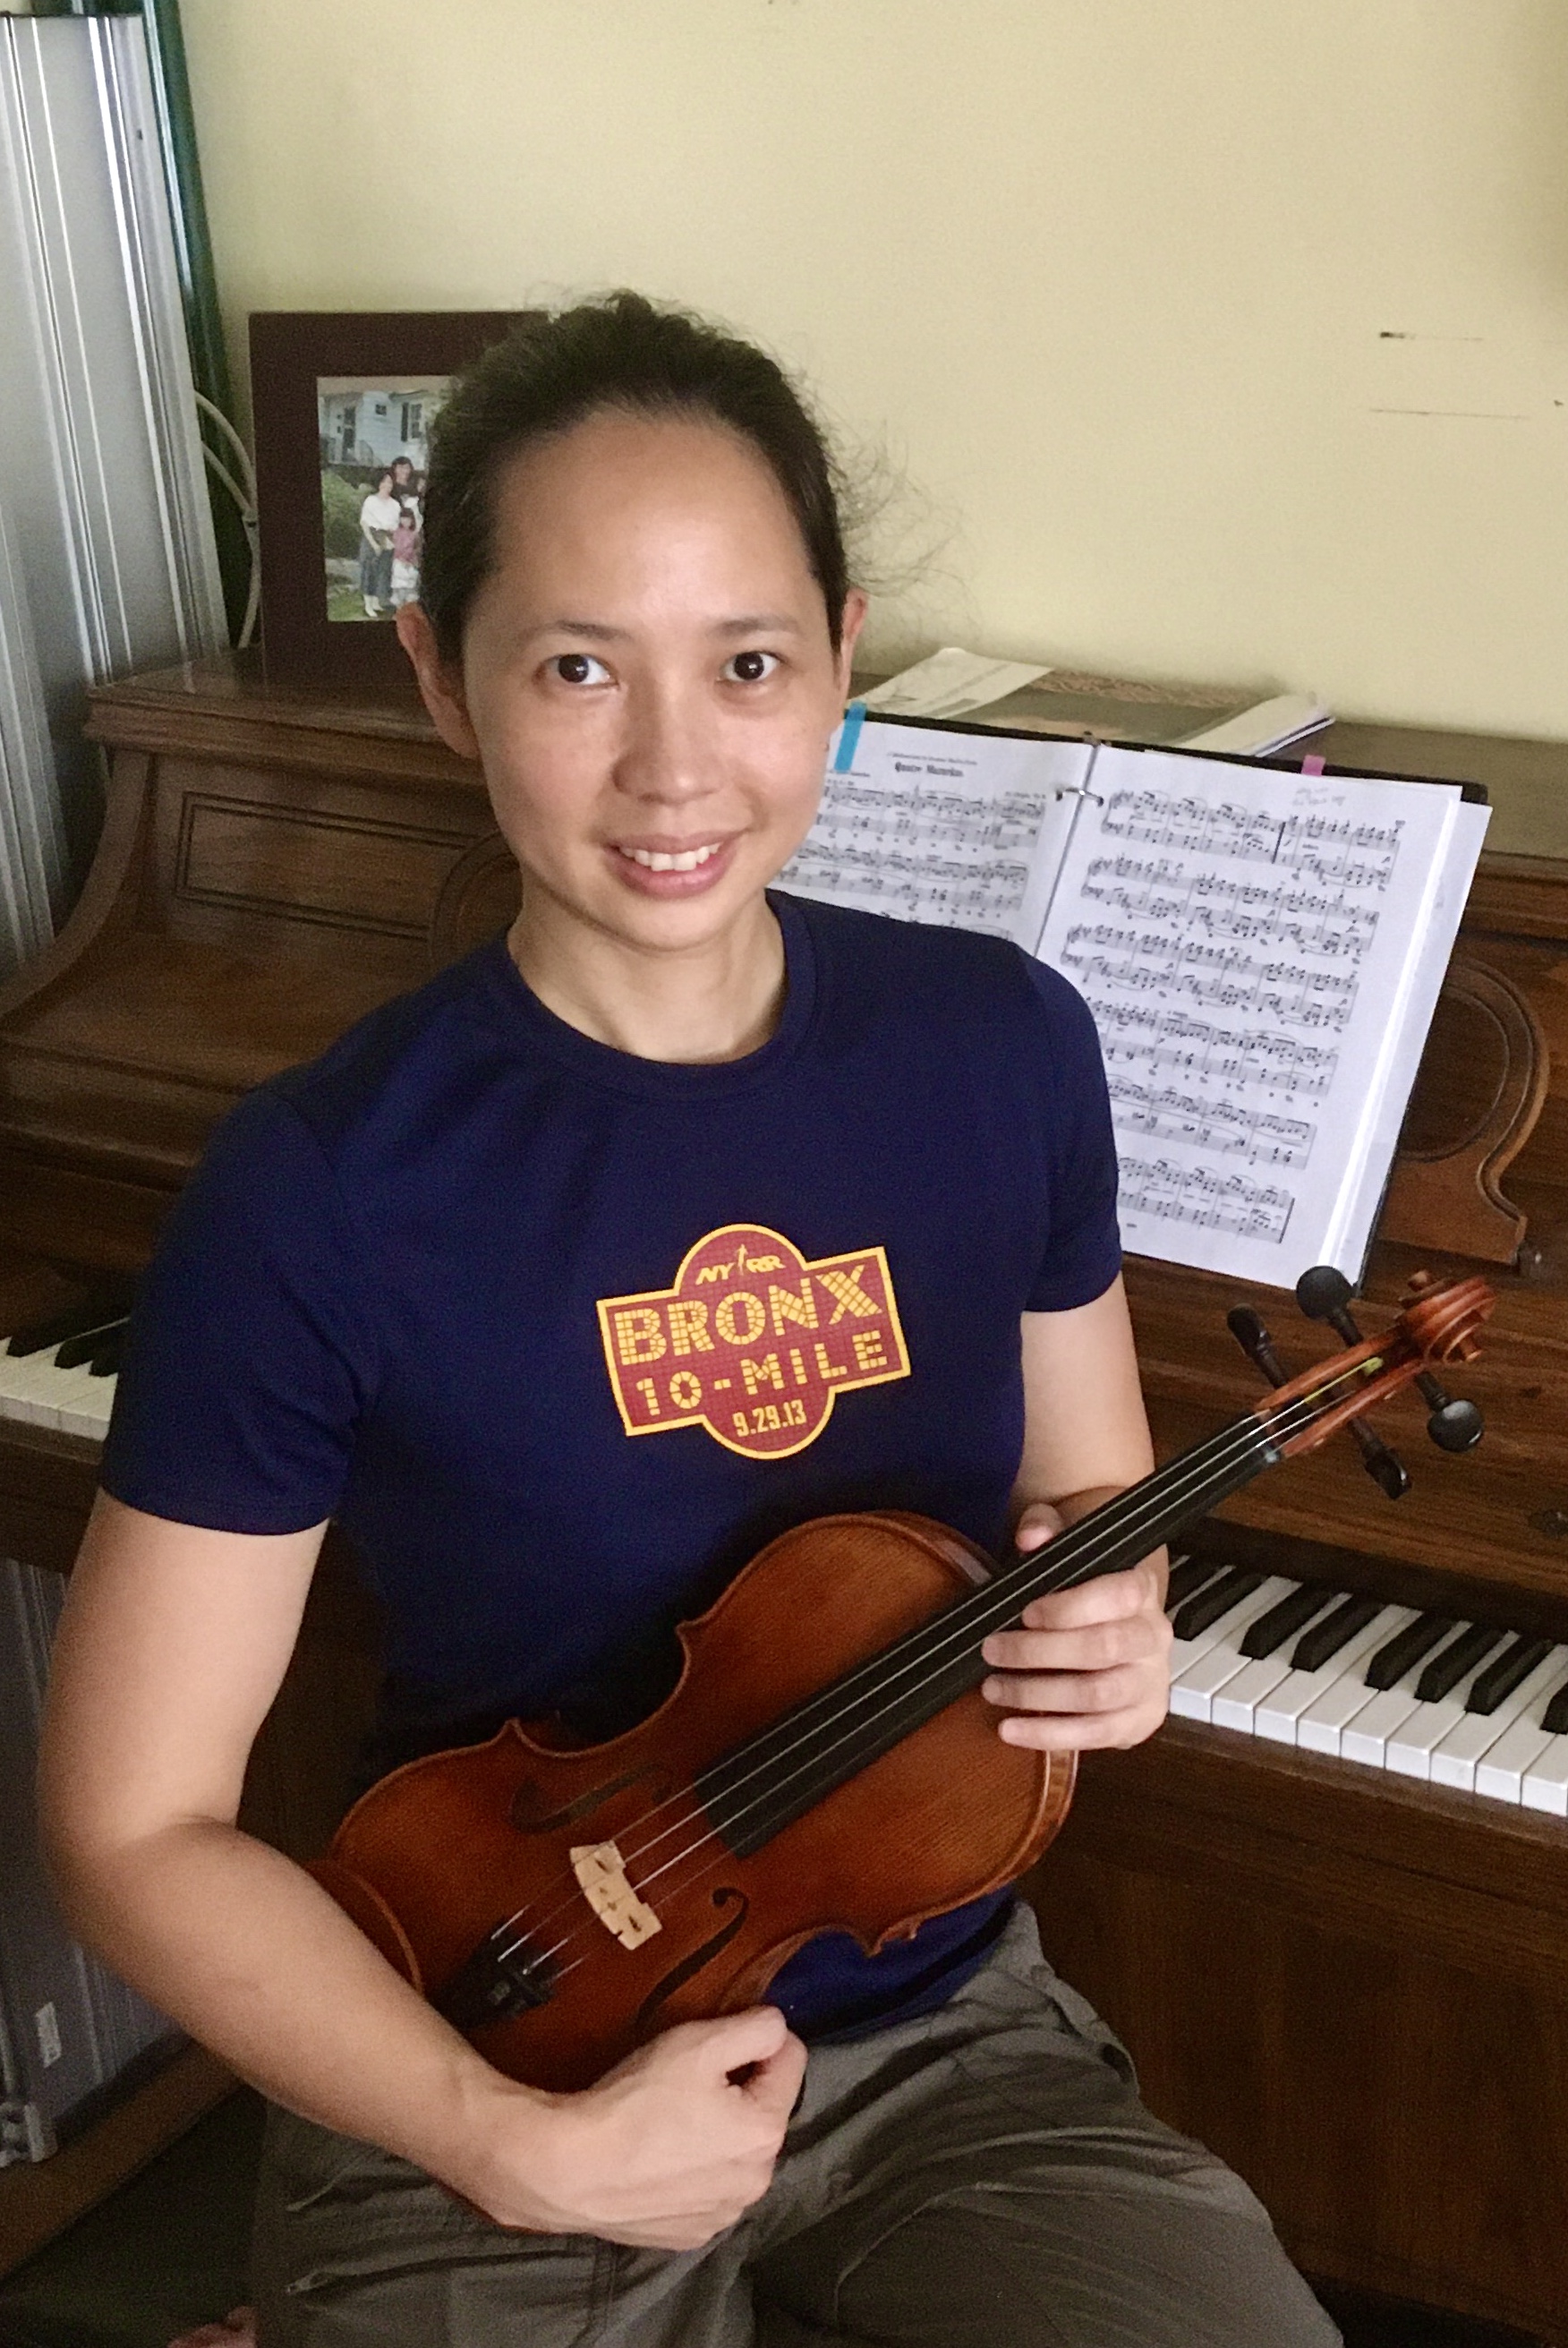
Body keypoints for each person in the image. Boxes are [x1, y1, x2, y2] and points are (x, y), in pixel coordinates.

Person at [40, 294, 1340, 2348]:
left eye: (746, 662)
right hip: (494, 2011)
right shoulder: (320, 1181)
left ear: (836, 658)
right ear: (442, 678)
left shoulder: (997, 1043)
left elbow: (1084, 1478)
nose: (671, 765)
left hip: (930, 2026)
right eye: (576, 664)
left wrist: (1112, 1609)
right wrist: (500, 2135)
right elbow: (131, 1820)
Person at [355, 469, 401, 619]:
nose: (387, 485)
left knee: (383, 572)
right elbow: (364, 523)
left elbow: (396, 526)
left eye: (390, 482)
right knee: (369, 571)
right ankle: (368, 604)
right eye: (384, 482)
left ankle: (376, 602)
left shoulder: (395, 505)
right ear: (379, 484)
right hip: (372, 537)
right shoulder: (371, 500)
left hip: (388, 538)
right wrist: (374, 543)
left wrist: (391, 540)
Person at [388, 499, 421, 609]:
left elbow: (416, 548)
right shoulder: (397, 533)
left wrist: (412, 559)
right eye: (403, 518)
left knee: (410, 588)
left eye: (408, 519)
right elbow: (397, 548)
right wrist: (402, 559)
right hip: (399, 562)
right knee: (400, 587)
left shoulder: (414, 534)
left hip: (411, 563)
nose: (405, 521)